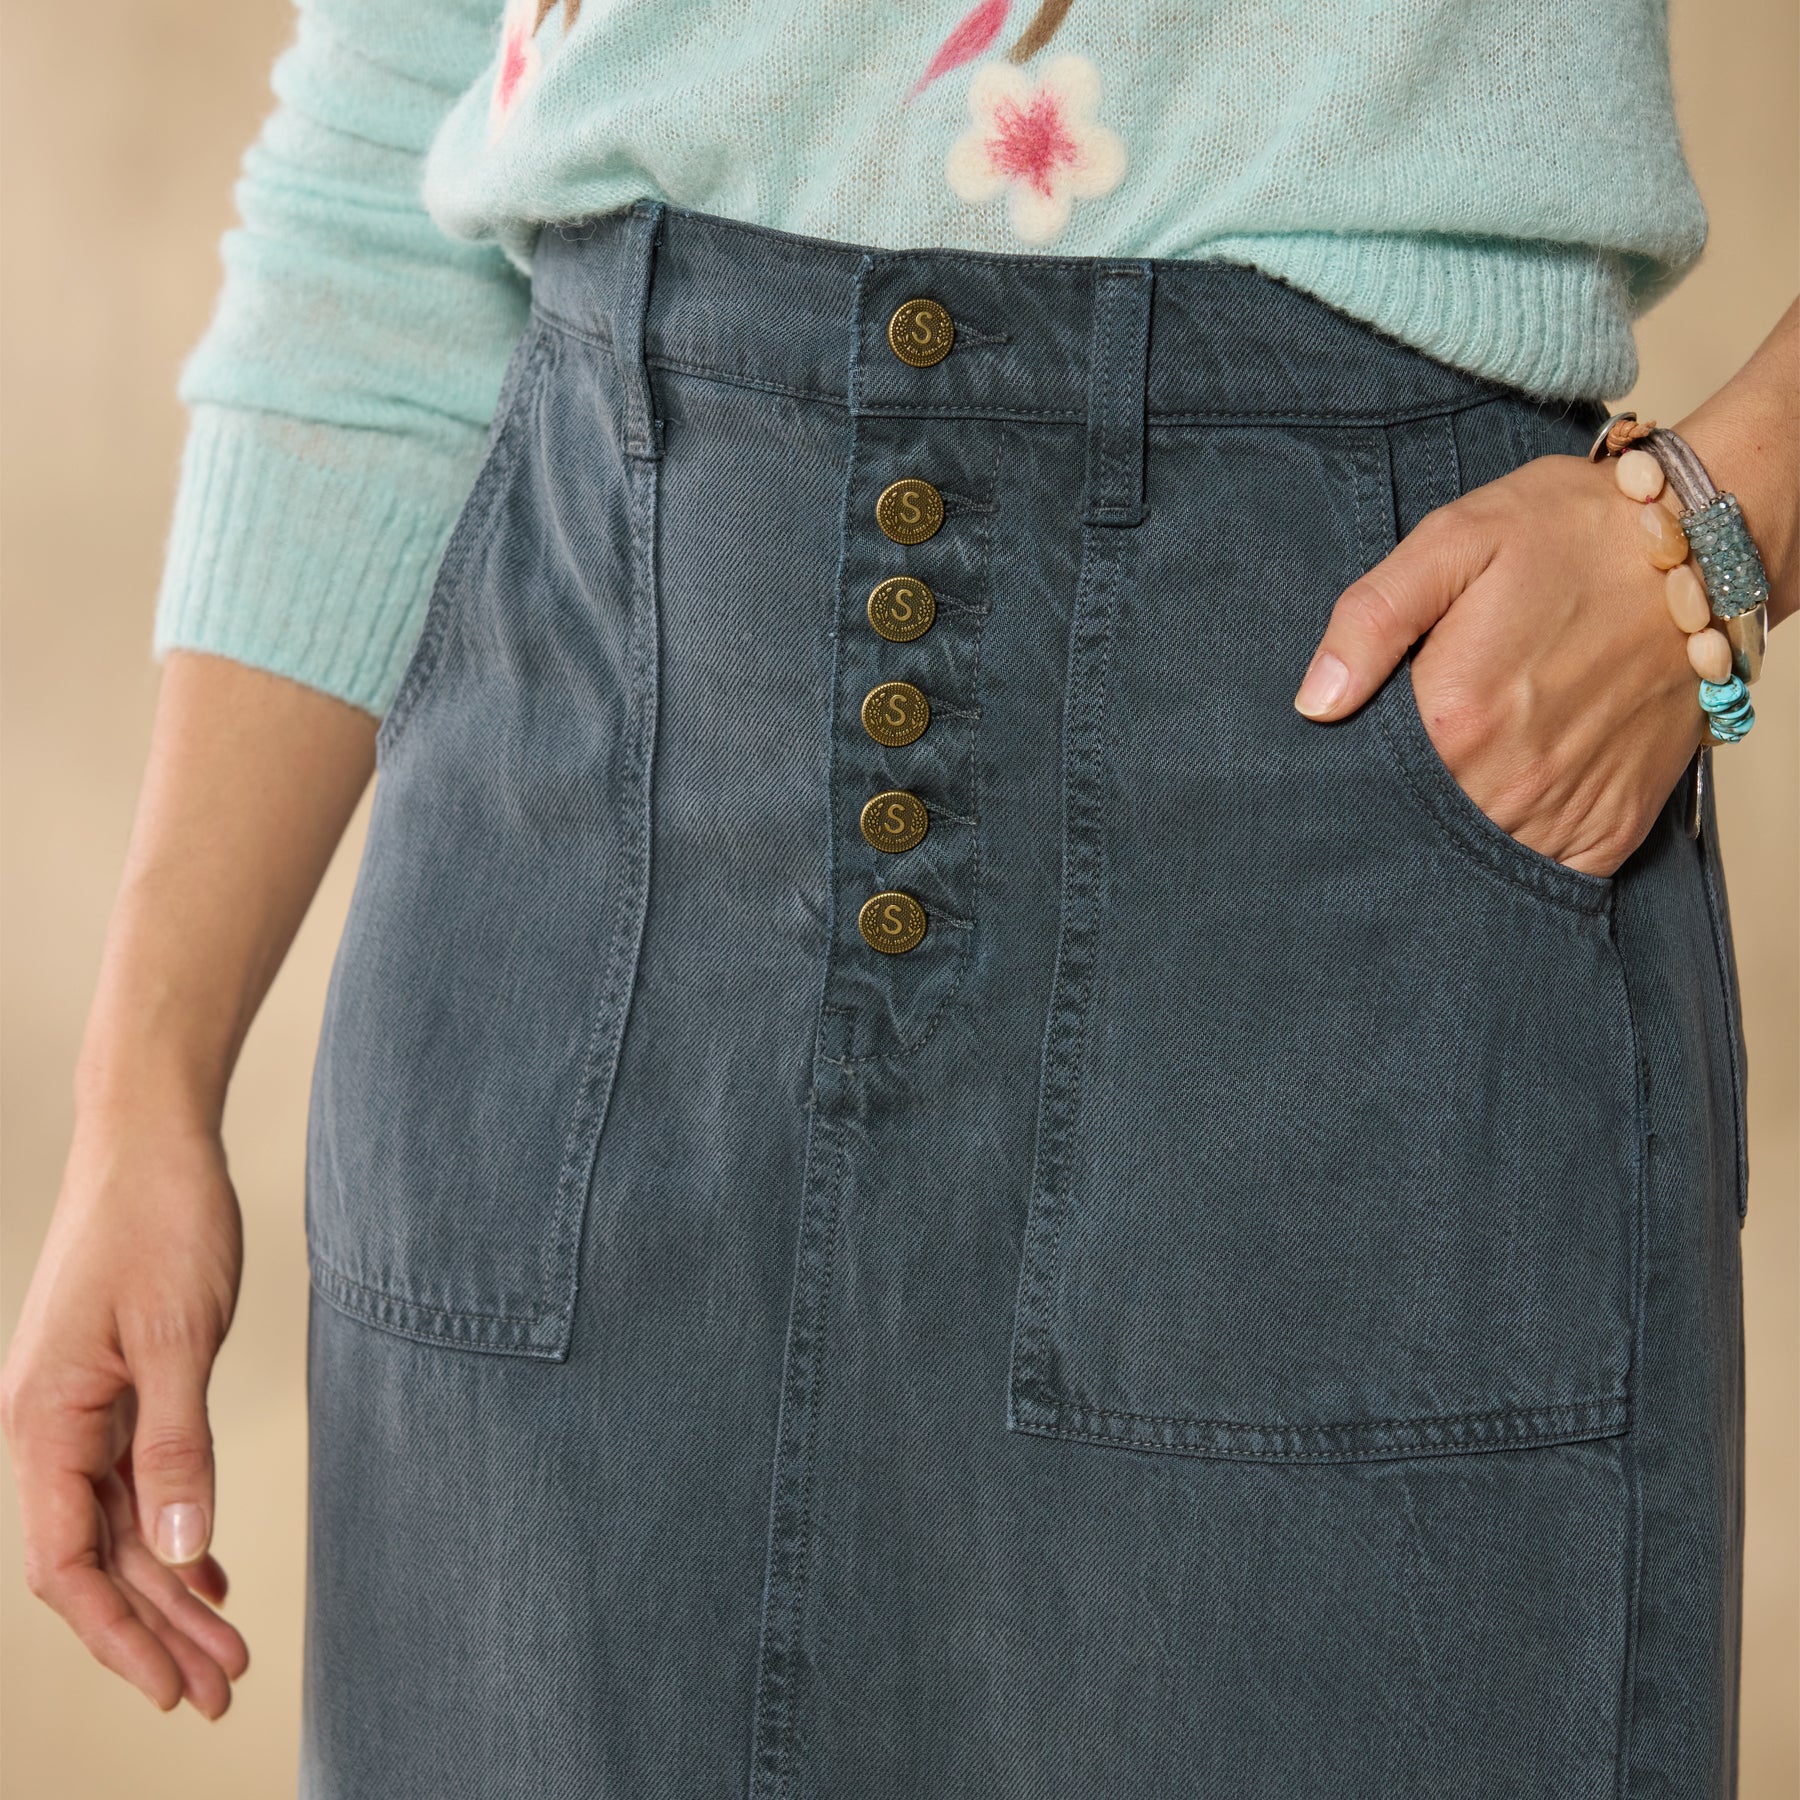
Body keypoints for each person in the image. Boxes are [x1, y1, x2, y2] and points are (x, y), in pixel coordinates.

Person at [3, 1, 1793, 1793]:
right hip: (586, 900)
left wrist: (1732, 518)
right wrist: (143, 1089)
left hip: (1327, 872)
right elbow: (391, 155)